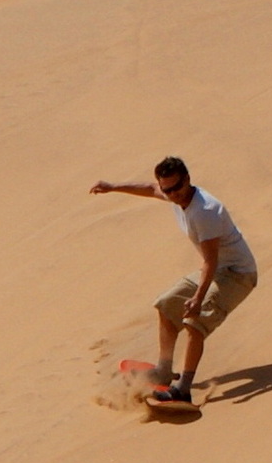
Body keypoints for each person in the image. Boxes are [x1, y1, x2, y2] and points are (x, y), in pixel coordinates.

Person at [89, 157, 257, 404]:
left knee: (195, 321)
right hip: (217, 269)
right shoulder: (174, 195)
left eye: (177, 187)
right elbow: (150, 188)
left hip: (238, 274)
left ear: (187, 179)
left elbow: (210, 261)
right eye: (167, 190)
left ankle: (183, 389)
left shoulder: (205, 212)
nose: (173, 194)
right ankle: (164, 371)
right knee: (166, 305)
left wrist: (198, 299)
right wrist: (113, 187)